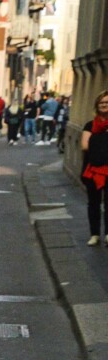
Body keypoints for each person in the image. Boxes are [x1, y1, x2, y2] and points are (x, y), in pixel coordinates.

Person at [80, 89, 108, 247]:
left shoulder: (94, 130)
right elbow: (85, 146)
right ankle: (95, 234)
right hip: (92, 169)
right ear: (97, 105)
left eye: (107, 102)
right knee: (93, 203)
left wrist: (96, 141)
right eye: (101, 102)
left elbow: (90, 143)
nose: (104, 105)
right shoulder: (90, 125)